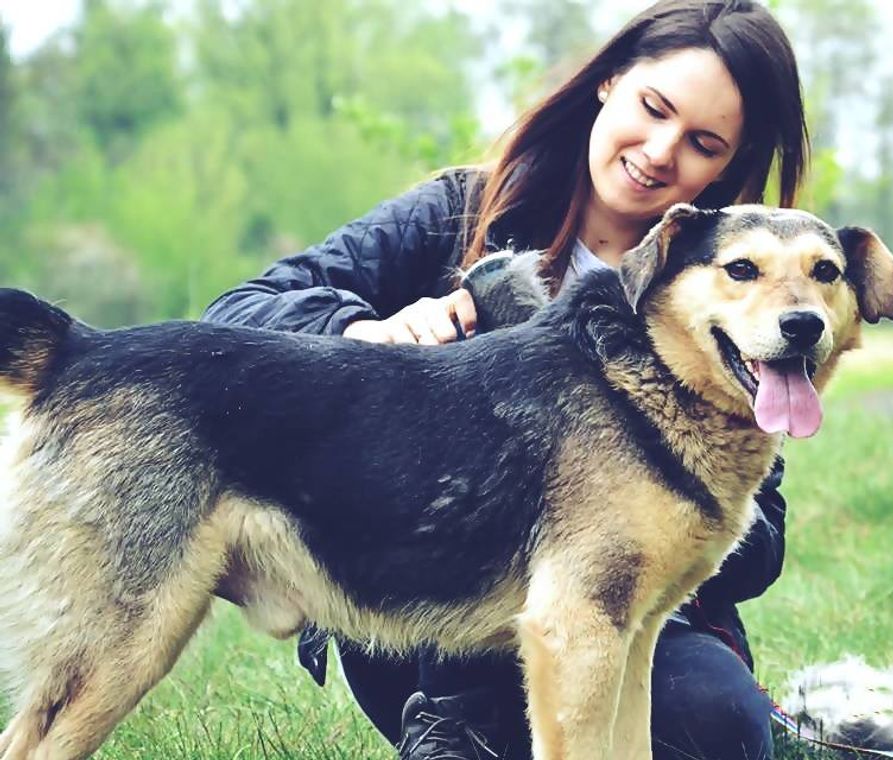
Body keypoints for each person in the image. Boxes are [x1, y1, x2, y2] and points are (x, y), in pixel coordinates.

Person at [203, 1, 808, 757]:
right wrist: (369, 334)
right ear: (608, 82)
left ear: (731, 165)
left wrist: (632, 506)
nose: (659, 151)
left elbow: (762, 545)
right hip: (414, 611)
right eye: (653, 109)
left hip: (621, 616)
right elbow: (239, 311)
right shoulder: (461, 211)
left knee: (722, 727)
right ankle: (453, 734)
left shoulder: (731, 291)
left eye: (702, 143)